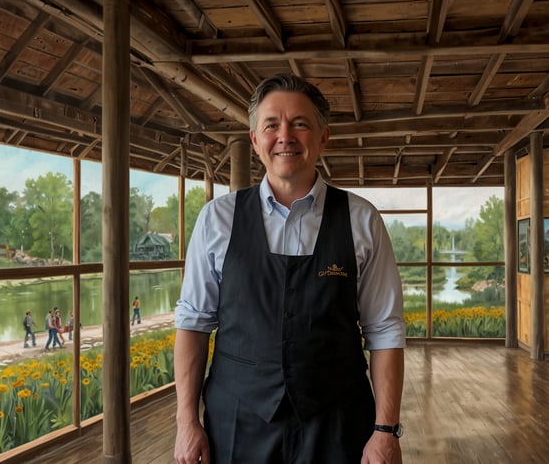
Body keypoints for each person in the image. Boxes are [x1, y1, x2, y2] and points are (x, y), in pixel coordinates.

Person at [174, 74, 406, 464]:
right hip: (236, 423)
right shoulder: (217, 219)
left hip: (338, 421)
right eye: (271, 125)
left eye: (300, 123)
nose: (285, 135)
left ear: (322, 137)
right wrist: (186, 422)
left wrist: (385, 431)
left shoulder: (361, 219)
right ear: (254, 139)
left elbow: (384, 330)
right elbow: (194, 324)